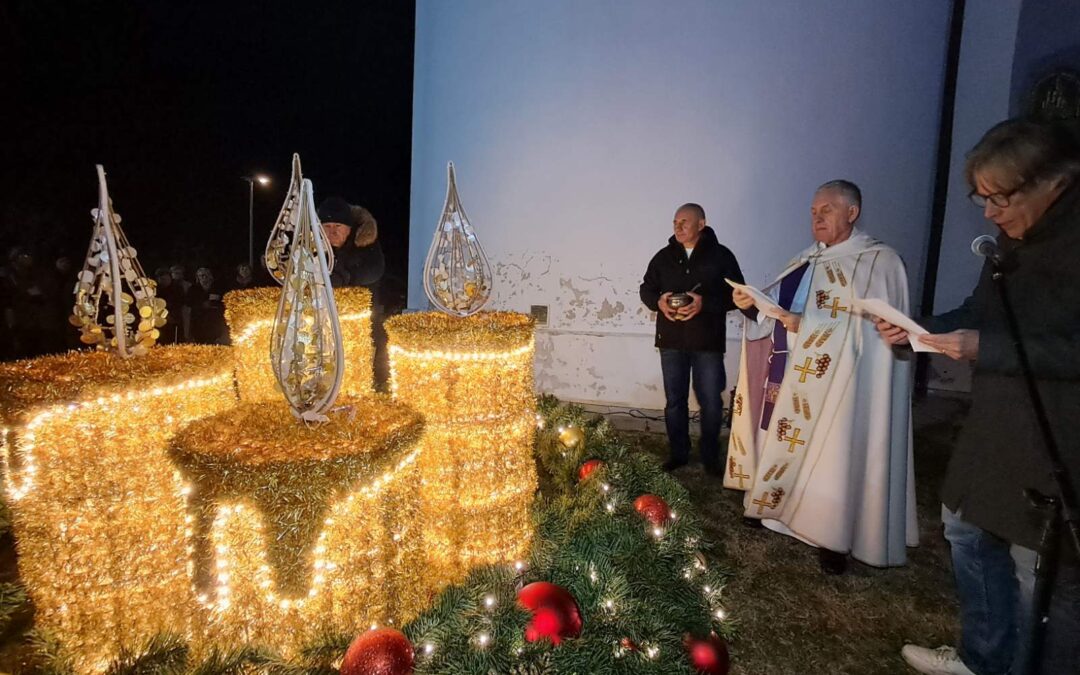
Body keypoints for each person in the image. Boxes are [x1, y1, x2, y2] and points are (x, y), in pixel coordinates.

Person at [878, 120, 1080, 675]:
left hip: (1056, 438)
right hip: (994, 425)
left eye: (999, 198)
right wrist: (917, 330)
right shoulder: (1015, 239)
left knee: (1040, 575)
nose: (988, 213)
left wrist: (988, 348)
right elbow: (979, 312)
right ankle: (980, 658)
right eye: (981, 198)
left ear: (1055, 181)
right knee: (964, 529)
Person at [725, 180, 917, 575]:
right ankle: (772, 510)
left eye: (826, 210)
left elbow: (878, 335)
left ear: (852, 212)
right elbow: (778, 313)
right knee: (777, 436)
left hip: (841, 387)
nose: (817, 218)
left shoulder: (879, 263)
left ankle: (831, 535)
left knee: (833, 455)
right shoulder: (805, 259)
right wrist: (752, 307)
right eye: (813, 211)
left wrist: (806, 325)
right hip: (788, 370)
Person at [639, 203, 747, 475]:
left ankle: (710, 456)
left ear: (701, 224)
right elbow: (646, 289)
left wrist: (704, 303)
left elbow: (738, 295)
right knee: (675, 401)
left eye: (684, 222)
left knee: (710, 400)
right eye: (675, 222)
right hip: (671, 340)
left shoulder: (721, 256)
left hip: (707, 342)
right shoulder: (663, 257)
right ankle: (678, 454)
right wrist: (658, 302)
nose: (678, 227)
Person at [317, 197, 388, 389]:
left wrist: (345, 276)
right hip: (324, 316)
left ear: (349, 228)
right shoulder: (315, 245)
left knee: (367, 350)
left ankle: (374, 382)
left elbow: (375, 269)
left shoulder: (365, 240)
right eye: (327, 226)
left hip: (361, 315)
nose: (332, 232)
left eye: (338, 226)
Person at [184, 266, 227, 345]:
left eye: (206, 275)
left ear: (210, 276)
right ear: (198, 277)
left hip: (214, 323)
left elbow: (224, 302)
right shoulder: (193, 289)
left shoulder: (217, 288)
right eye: (201, 275)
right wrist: (201, 305)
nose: (204, 277)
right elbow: (188, 303)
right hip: (198, 323)